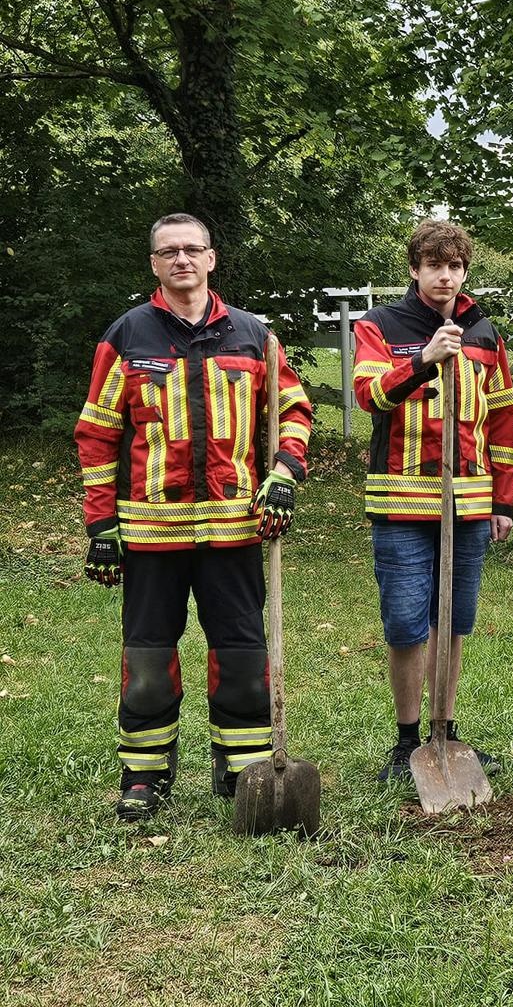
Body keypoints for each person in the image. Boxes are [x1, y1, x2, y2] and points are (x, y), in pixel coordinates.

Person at [75, 213, 312, 822]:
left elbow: (293, 410)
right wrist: (101, 525)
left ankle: (245, 770)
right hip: (152, 533)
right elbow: (98, 434)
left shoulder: (254, 336)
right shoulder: (127, 336)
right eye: (168, 252)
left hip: (235, 528)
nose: (181, 260)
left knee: (240, 652)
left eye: (192, 250)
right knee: (149, 656)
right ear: (154, 264)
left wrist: (283, 473)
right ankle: (145, 776)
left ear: (211, 259)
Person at [353, 221, 513, 783]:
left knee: (453, 621)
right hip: (402, 503)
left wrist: (504, 501)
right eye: (434, 265)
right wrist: (423, 358)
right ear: (415, 270)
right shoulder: (380, 325)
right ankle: (405, 742)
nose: (445, 275)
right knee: (406, 622)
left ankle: (445, 731)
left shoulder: (483, 332)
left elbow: (502, 420)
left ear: (464, 271)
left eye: (455, 266)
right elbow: (369, 394)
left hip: (469, 504)